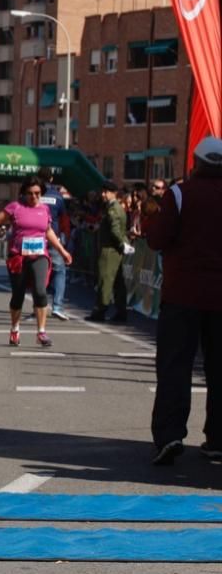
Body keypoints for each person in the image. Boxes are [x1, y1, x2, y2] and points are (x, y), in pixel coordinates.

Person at [146, 137, 222, 465]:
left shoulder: (178, 194)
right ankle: (218, 438)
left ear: (196, 162)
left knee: (175, 367)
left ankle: (170, 434)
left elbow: (159, 238)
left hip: (182, 296)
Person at [0, 175, 73, 347]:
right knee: (18, 295)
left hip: (40, 256)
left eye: (37, 193)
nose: (34, 197)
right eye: (30, 193)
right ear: (24, 193)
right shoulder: (15, 207)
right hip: (18, 258)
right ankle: (14, 329)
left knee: (40, 291)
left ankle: (41, 332)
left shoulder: (44, 209)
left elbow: (49, 231)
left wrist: (62, 251)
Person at [85, 181, 133, 323]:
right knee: (118, 283)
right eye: (102, 192)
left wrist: (121, 243)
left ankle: (100, 311)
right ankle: (121, 312)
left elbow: (115, 230)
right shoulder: (114, 208)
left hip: (109, 249)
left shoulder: (113, 209)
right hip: (114, 249)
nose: (103, 194)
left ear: (114, 193)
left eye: (106, 192)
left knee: (105, 281)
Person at [37, 167, 70, 320]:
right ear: (51, 179)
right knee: (59, 271)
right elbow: (64, 219)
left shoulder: (33, 195)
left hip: (35, 237)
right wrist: (65, 238)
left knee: (37, 272)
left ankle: (38, 306)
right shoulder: (57, 196)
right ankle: (57, 306)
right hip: (53, 237)